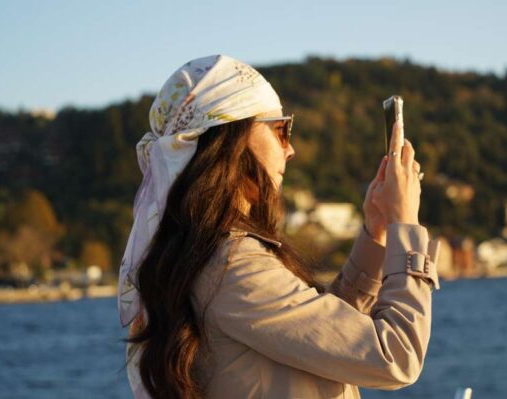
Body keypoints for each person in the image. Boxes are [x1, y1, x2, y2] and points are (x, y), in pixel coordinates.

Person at [117, 54, 440, 399]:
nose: (291, 149)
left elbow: (318, 336)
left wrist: (376, 235)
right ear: (233, 139)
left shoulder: (205, 254)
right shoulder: (233, 265)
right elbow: (396, 356)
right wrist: (405, 225)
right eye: (281, 129)